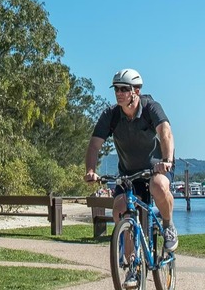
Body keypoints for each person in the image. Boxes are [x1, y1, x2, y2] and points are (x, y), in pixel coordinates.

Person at [83, 68, 176, 287]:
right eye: (116, 89)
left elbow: (165, 133)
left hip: (157, 167)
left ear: (136, 90)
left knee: (159, 186)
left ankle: (168, 225)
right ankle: (132, 266)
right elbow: (94, 144)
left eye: (124, 89)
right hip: (129, 172)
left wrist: (167, 159)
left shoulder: (151, 108)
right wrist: (90, 170)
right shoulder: (111, 115)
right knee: (119, 208)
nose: (119, 93)